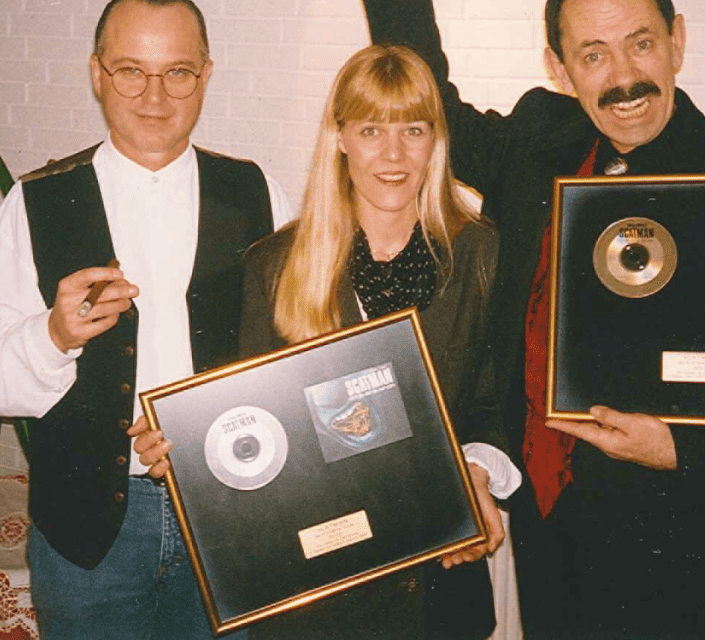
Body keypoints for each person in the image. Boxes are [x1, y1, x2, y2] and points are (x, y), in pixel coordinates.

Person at [317, 0, 705, 640]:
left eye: (641, 44)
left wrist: (678, 446)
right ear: (559, 69)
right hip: (551, 533)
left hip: (695, 550)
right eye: (593, 54)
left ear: (677, 40)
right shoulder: (540, 141)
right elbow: (439, 115)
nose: (625, 78)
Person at [134, 44, 520, 639]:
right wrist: (182, 449)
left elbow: (495, 405)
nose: (392, 155)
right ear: (340, 138)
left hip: (437, 585)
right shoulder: (274, 266)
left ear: (436, 140)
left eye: (412, 130)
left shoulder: (480, 254)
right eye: (370, 130)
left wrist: (475, 472)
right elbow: (247, 426)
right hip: (315, 598)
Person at [0, 0, 292, 639]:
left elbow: (301, 354)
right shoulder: (37, 202)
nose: (154, 97)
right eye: (131, 70)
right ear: (97, 74)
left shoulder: (257, 193)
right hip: (85, 536)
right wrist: (53, 335)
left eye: (177, 72)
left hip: (232, 514)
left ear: (206, 76)